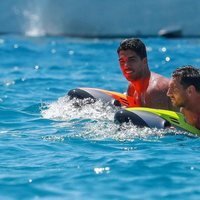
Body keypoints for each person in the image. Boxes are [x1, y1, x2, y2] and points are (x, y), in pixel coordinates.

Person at [117, 38, 174, 110]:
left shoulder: (156, 90)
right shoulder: (132, 88)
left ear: (144, 61)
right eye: (122, 61)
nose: (126, 65)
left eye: (132, 60)